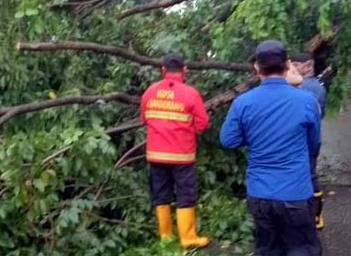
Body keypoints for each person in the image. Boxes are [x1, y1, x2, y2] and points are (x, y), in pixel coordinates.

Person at [220, 40, 322, 255]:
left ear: (257, 67)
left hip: (260, 194)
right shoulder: (307, 101)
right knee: (302, 249)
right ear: (287, 65)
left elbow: (228, 140)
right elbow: (313, 145)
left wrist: (256, 137)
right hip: (296, 193)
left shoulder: (243, 102)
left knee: (268, 250)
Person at [140, 52, 210, 249]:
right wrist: (189, 131)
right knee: (185, 194)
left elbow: (144, 119)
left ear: (163, 70)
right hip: (182, 155)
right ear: (184, 70)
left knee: (160, 194)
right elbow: (203, 123)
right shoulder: (190, 93)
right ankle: (187, 238)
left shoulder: (149, 92)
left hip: (155, 154)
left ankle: (165, 237)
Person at [292, 53, 326, 230]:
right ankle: (316, 215)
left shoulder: (302, 87)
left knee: (307, 175)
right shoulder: (319, 87)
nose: (292, 69)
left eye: (296, 65)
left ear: (307, 66)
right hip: (314, 137)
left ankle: (310, 214)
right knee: (311, 173)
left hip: (301, 139)